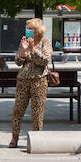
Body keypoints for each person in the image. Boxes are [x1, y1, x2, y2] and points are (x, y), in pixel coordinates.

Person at [9, 18, 52, 147]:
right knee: (18, 110)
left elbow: (44, 60)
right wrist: (22, 50)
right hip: (23, 80)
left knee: (37, 111)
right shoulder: (25, 42)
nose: (27, 31)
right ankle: (14, 138)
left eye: (30, 29)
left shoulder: (45, 42)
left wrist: (33, 49)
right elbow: (18, 62)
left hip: (39, 80)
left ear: (37, 31)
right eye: (27, 28)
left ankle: (37, 139)